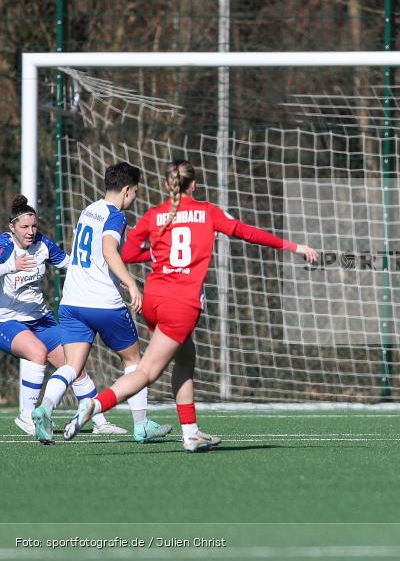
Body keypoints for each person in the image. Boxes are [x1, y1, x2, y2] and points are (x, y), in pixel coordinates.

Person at [63, 160, 319, 452]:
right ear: (194, 185)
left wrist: (161, 257)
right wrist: (295, 247)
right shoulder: (207, 212)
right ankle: (95, 406)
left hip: (154, 302)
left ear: (166, 186)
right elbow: (248, 233)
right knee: (147, 372)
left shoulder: (154, 214)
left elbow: (131, 253)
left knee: (186, 358)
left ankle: (191, 433)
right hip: (180, 305)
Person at [32, 163, 171, 444]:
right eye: (135, 193)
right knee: (134, 360)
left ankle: (45, 408)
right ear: (127, 190)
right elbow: (108, 250)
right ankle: (141, 425)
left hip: (72, 301)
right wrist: (131, 283)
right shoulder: (116, 216)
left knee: (72, 365)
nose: (135, 198)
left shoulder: (88, 210)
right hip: (103, 303)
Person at [1, 196, 125, 436]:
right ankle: (27, 416)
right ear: (12, 227)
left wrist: (102, 272)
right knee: (37, 353)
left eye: (33, 226)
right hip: (7, 320)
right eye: (24, 227)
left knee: (75, 366)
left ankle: (99, 422)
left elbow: (71, 264)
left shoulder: (43, 245)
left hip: (41, 320)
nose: (30, 232)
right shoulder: (5, 246)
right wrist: (10, 266)